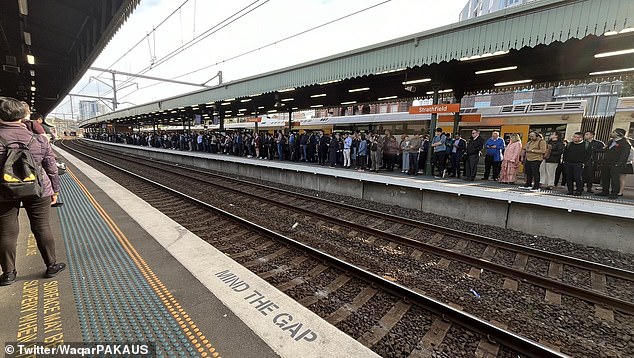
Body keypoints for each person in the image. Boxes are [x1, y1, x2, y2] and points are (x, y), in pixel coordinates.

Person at [0, 97, 66, 286]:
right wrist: (55, 190)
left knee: (6, 232)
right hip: (38, 188)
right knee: (42, 226)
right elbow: (51, 167)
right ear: (22, 115)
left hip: (4, 191)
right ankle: (51, 265)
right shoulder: (39, 139)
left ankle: (8, 274)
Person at [597, 128, 631, 199]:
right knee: (605, 177)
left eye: (613, 132)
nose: (611, 133)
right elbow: (605, 150)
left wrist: (619, 164)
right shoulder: (610, 141)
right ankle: (605, 191)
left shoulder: (625, 143)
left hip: (616, 164)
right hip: (606, 163)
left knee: (614, 179)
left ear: (619, 134)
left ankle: (614, 193)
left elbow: (624, 155)